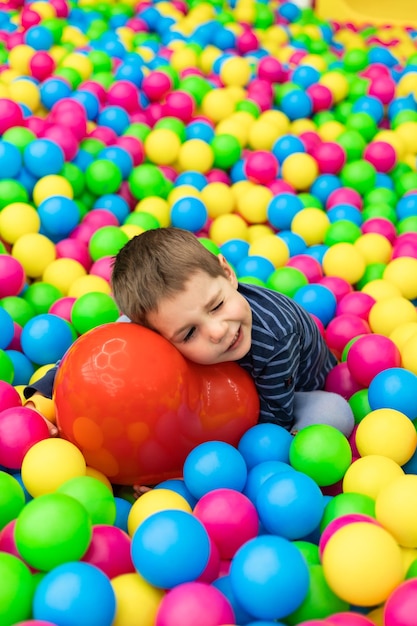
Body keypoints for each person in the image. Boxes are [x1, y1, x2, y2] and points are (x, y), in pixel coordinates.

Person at [25, 227, 354, 440]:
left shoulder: (274, 338)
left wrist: (178, 462)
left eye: (216, 305)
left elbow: (270, 422)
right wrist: (43, 393)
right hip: (214, 381)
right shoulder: (151, 322)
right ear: (152, 335)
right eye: (188, 333)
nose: (217, 331)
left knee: (335, 415)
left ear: (227, 273)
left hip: (290, 390)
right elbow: (91, 356)